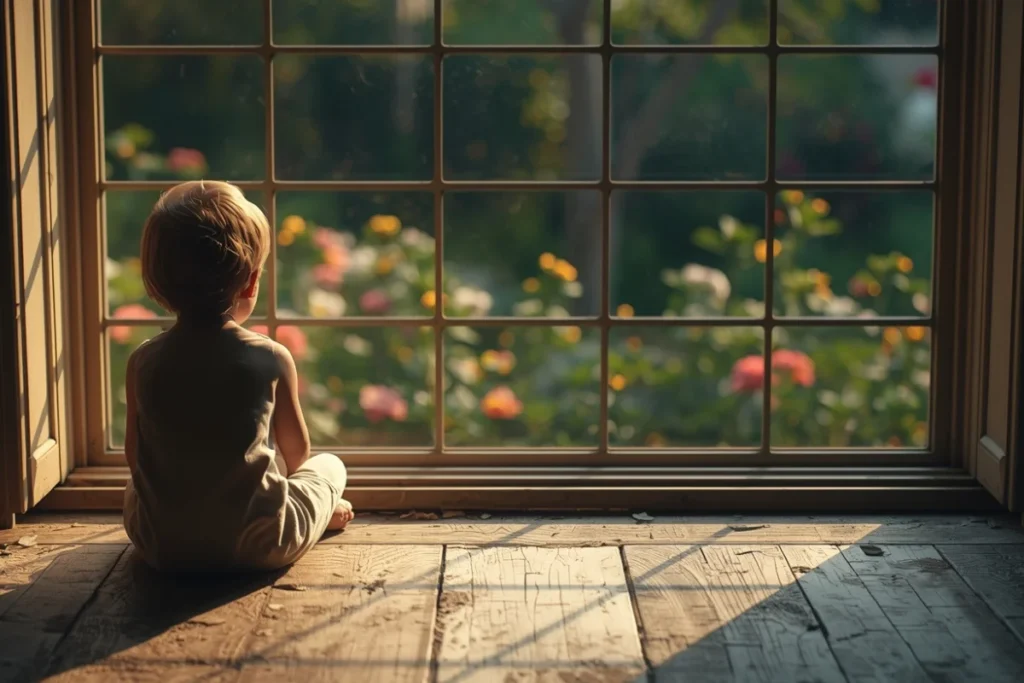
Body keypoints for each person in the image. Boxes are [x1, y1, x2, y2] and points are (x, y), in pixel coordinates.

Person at [122, 180, 352, 572]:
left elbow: (135, 455)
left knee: (135, 489)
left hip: (161, 544)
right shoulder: (269, 357)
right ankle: (321, 515)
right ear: (251, 281)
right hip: (260, 546)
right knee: (330, 467)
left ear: (156, 283)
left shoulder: (143, 360)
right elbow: (296, 456)